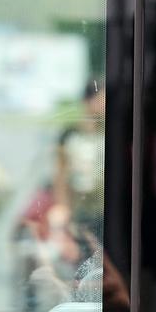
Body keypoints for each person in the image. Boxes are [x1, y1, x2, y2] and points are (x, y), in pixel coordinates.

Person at [55, 79, 106, 238]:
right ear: (88, 101)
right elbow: (61, 176)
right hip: (80, 210)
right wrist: (64, 211)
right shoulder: (70, 135)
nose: (105, 105)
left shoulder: (110, 134)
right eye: (101, 99)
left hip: (105, 211)